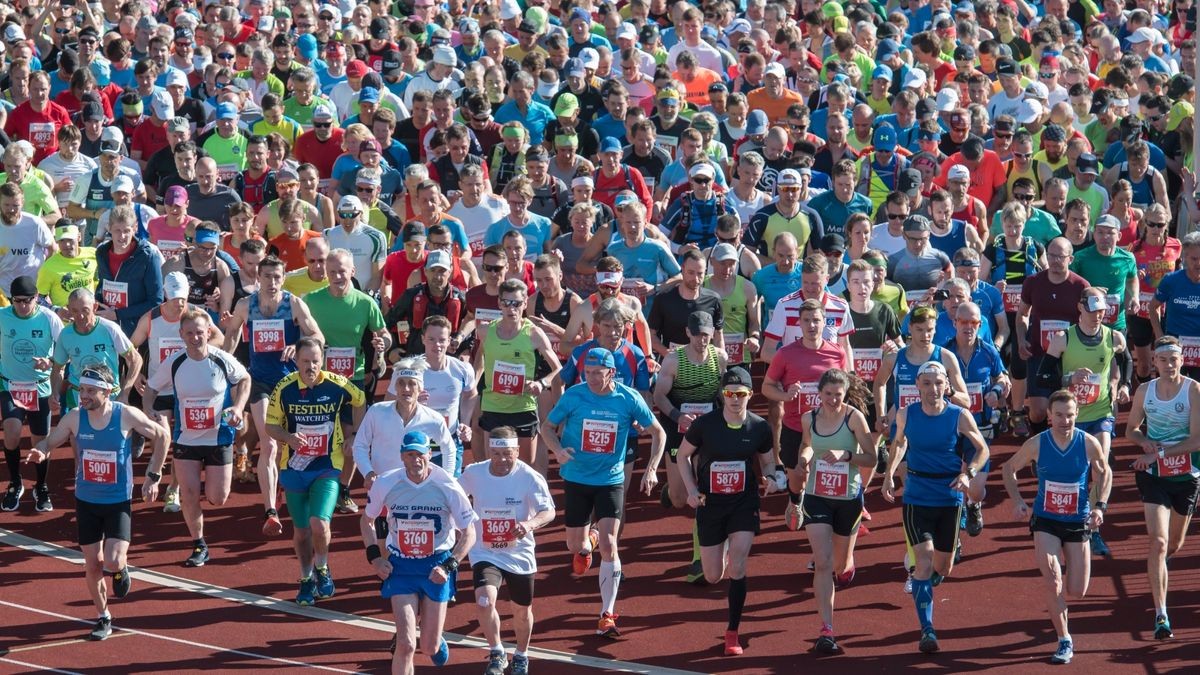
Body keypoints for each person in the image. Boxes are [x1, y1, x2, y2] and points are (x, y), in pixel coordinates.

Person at [24, 365, 168, 641]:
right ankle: (103, 616)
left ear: (108, 391)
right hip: (86, 501)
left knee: (113, 560)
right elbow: (50, 442)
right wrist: (39, 451)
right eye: (81, 390)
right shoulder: (75, 418)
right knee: (92, 565)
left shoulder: (125, 414)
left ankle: (121, 569)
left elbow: (162, 435)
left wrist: (154, 475)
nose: (83, 396)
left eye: (90, 391)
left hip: (117, 502)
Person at [540, 347, 666, 638]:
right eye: (587, 373)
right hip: (577, 477)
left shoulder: (628, 398)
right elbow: (547, 427)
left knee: (611, 544)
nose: (592, 379)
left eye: (598, 373)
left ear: (612, 372)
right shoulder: (574, 395)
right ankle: (588, 542)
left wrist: (651, 469)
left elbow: (658, 432)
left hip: (610, 479)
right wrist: (557, 450)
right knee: (575, 546)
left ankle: (607, 614)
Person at [882, 361, 990, 654]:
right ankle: (927, 629)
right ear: (917, 386)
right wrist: (890, 474)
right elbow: (900, 443)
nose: (933, 389)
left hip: (950, 496)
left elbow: (983, 449)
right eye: (926, 383)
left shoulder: (959, 415)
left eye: (938, 383)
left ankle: (931, 579)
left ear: (947, 385)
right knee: (924, 561)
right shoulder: (906, 414)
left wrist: (967, 474)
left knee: (943, 566)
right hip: (917, 494)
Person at [1002, 389, 1111, 664]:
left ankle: (1062, 615)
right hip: (1046, 520)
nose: (1065, 421)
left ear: (1077, 415)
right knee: (1052, 578)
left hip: (1077, 521)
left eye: (1070, 415)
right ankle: (1064, 639)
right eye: (1059, 415)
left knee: (1077, 590)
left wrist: (1100, 507)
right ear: (1049, 416)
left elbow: (1104, 472)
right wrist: (1018, 501)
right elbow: (1008, 468)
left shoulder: (1088, 443)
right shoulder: (1037, 444)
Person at [676, 366, 777, 656]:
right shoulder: (705, 425)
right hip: (710, 504)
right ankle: (713, 548)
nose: (735, 399)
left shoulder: (759, 427)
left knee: (739, 565)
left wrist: (771, 477)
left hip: (743, 503)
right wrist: (692, 490)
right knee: (711, 576)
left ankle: (732, 632)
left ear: (750, 395)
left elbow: (768, 461)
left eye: (741, 394)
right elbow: (683, 456)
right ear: (723, 395)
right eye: (730, 393)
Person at [223, 254, 324, 536]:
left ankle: (287, 489)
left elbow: (318, 336)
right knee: (268, 442)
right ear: (259, 277)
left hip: (290, 383)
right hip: (260, 382)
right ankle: (270, 510)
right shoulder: (246, 305)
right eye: (267, 276)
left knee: (291, 446)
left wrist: (299, 346)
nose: (272, 282)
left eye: (277, 277)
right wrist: (227, 364)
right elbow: (231, 334)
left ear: (284, 277)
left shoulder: (293, 303)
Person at [363, 429, 478, 672]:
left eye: (421, 455)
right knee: (405, 643)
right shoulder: (387, 482)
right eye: (410, 454)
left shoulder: (447, 485)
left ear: (429, 455)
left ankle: (436, 645)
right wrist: (374, 557)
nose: (416, 460)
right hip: (401, 566)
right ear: (402, 456)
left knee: (428, 647)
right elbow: (367, 520)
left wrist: (449, 565)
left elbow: (470, 533)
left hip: (436, 564)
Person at [144, 307, 248, 567]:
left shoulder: (221, 359)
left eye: (199, 332)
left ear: (208, 332)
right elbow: (151, 389)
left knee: (217, 497)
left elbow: (245, 379)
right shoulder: (175, 361)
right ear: (181, 334)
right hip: (187, 439)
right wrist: (149, 412)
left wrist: (237, 407)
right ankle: (199, 544)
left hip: (218, 438)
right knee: (189, 495)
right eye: (189, 333)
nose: (195, 337)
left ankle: (210, 488)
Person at [264, 337, 365, 605]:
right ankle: (306, 578)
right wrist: (288, 437)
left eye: (315, 361)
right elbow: (270, 426)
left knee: (319, 523)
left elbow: (360, 400)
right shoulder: (284, 388)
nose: (311, 366)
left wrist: (354, 434)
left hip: (327, 467)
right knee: (301, 532)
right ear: (296, 360)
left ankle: (322, 568)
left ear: (323, 361)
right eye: (305, 361)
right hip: (294, 468)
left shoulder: (336, 383)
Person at [791, 369, 877, 654]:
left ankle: (848, 563)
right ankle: (826, 629)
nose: (832, 400)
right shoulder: (810, 418)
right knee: (823, 562)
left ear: (845, 394)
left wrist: (847, 455)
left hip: (847, 499)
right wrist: (804, 460)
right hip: (816, 496)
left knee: (839, 565)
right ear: (820, 393)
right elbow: (806, 446)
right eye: (828, 394)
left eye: (838, 395)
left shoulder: (854, 418)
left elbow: (872, 457)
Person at [458, 426, 556, 675]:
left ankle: (521, 654)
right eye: (497, 453)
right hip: (485, 551)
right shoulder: (474, 473)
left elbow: (549, 511)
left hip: (518, 553)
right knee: (484, 601)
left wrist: (529, 524)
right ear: (490, 451)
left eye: (508, 454)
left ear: (517, 451)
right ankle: (497, 652)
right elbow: (453, 497)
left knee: (521, 611)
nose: (502, 459)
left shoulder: (530, 477)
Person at [1039, 287, 1129, 556]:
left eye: (1101, 311)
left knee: (1101, 464)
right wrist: (1069, 379)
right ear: (1080, 309)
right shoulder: (1062, 339)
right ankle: (1060, 523)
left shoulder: (1114, 337)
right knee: (1073, 470)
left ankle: (1093, 526)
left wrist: (1123, 385)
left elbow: (1126, 362)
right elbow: (1042, 378)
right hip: (1071, 417)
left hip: (1101, 412)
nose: (1097, 316)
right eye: (1092, 311)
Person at [303, 248, 390, 512]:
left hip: (355, 380)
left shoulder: (365, 303)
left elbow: (384, 333)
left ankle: (342, 490)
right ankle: (315, 488)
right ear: (325, 275)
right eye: (332, 272)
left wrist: (382, 343)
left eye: (342, 271)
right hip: (320, 382)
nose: (337, 276)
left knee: (355, 438)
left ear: (352, 272)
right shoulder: (311, 301)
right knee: (320, 438)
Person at [1125, 336, 1200, 642]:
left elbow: (1197, 440)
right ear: (1153, 362)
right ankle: (1161, 615)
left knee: (1174, 544)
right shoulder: (1145, 391)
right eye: (1163, 360)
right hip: (1153, 475)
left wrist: (1156, 453)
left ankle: (1162, 567)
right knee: (1157, 541)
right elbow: (1131, 429)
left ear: (1182, 360)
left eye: (1174, 359)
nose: (1169, 365)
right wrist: (1143, 441)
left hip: (1187, 476)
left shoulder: (1193, 390)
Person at [761, 299, 851, 530]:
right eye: (806, 321)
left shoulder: (837, 352)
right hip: (795, 427)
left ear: (825, 323)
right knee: (798, 478)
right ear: (799, 324)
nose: (812, 325)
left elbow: (846, 387)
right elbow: (767, 386)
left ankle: (823, 516)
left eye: (816, 320)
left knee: (825, 476)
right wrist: (786, 395)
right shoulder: (785, 354)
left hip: (827, 428)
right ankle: (795, 501)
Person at [652, 310, 729, 579]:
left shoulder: (719, 358)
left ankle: (699, 557)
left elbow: (722, 392)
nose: (702, 340)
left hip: (706, 432)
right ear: (688, 333)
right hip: (678, 428)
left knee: (702, 493)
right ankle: (669, 490)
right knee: (680, 498)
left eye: (706, 335)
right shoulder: (673, 361)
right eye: (697, 335)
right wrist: (677, 415)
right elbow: (659, 396)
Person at [475, 278, 561, 466]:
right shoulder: (485, 331)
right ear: (499, 303)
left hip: (523, 407)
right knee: (495, 465)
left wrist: (541, 383)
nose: (511, 308)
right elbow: (480, 357)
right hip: (493, 406)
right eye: (506, 303)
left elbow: (558, 369)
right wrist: (474, 383)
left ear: (524, 304)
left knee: (524, 465)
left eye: (516, 303)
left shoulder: (534, 333)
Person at [945, 301, 1010, 537]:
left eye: (974, 323)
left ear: (980, 325)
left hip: (980, 426)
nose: (968, 327)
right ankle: (954, 535)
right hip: (950, 427)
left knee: (975, 490)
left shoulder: (988, 351)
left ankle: (973, 505)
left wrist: (995, 392)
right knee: (951, 484)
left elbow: (1003, 378)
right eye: (964, 322)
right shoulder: (943, 352)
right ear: (955, 323)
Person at [0, 276, 64, 513]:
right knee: (12, 432)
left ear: (37, 297)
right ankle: (15, 483)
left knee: (40, 441)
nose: (23, 306)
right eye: (18, 301)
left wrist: (50, 362)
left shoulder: (49, 318)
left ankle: (41, 485)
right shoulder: (3, 316)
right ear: (11, 300)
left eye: (28, 301)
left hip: (40, 388)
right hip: (10, 385)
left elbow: (64, 347)